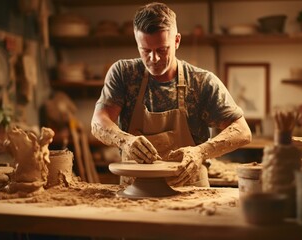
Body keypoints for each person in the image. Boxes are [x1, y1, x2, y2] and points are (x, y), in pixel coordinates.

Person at [91, 2, 252, 187]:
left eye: (161, 50)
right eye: (145, 51)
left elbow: (242, 131)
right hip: (135, 190)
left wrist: (200, 152)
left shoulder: (202, 82)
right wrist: (125, 140)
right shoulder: (124, 73)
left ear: (176, 41)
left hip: (190, 189)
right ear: (137, 43)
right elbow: (98, 122)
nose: (153, 59)